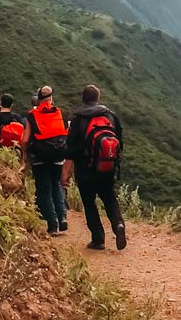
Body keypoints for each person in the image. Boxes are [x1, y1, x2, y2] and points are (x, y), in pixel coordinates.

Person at [61, 85, 126, 251]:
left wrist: (66, 173)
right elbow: (120, 144)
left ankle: (98, 239)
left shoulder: (78, 120)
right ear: (98, 98)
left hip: (85, 171)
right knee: (110, 198)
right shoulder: (111, 116)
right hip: (108, 168)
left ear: (83, 99)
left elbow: (70, 150)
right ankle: (118, 224)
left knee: (89, 203)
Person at [21, 86, 69, 235]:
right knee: (56, 185)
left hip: (40, 158)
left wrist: (24, 155)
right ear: (51, 99)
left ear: (38, 100)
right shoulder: (61, 114)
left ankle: (52, 224)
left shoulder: (32, 115)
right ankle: (62, 217)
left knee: (44, 190)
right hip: (58, 157)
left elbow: (25, 139)